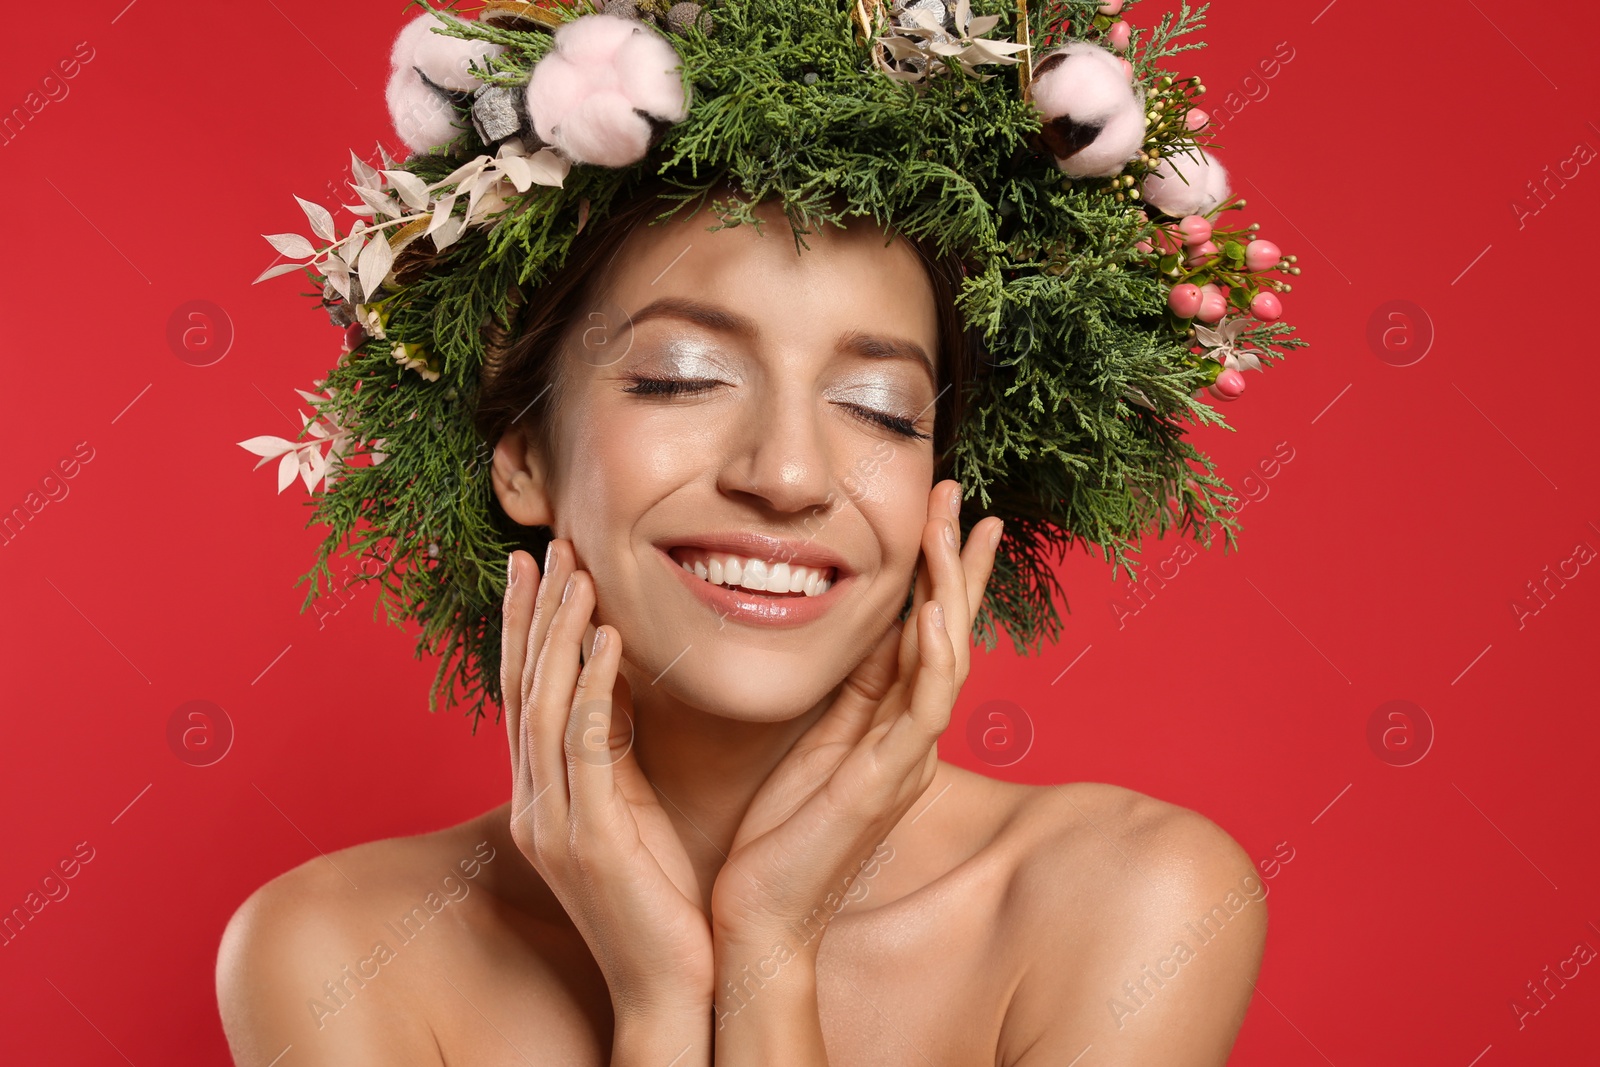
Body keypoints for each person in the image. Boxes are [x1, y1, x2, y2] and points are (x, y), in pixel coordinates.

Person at [219, 1, 1300, 1061]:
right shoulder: (338, 953)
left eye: (881, 407)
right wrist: (659, 1004)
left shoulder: (1124, 902)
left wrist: (767, 959)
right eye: (681, 377)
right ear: (524, 453)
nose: (786, 475)